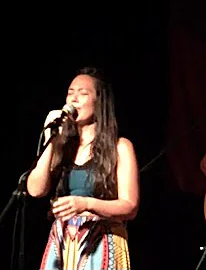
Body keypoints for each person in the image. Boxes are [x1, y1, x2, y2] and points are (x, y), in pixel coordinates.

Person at [26, 67, 140, 269]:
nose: (73, 100)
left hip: (100, 244)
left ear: (99, 102)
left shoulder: (120, 147)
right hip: (62, 243)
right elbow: (35, 190)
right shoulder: (62, 147)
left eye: (83, 93)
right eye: (70, 93)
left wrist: (86, 204)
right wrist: (50, 140)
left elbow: (129, 206)